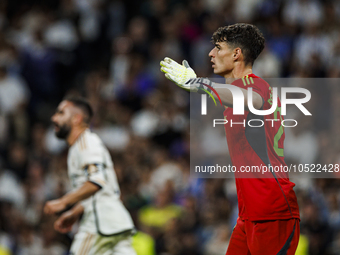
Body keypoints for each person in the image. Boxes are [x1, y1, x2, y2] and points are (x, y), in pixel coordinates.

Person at [160, 23, 300, 255]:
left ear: (236, 54)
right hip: (249, 214)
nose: (210, 54)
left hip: (272, 211)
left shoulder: (255, 85)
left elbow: (251, 100)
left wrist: (199, 84)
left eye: (217, 48)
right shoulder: (235, 92)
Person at [44, 96, 136, 255]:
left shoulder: (86, 144)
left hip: (100, 221)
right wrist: (75, 212)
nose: (54, 118)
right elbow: (101, 190)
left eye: (61, 113)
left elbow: (96, 182)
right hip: (115, 221)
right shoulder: (80, 146)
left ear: (76, 119)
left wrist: (63, 202)